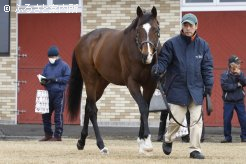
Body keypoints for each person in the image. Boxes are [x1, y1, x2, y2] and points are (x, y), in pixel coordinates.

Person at [151, 13, 214, 159]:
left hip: (196, 90)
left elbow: (207, 68)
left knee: (196, 121)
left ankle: (195, 149)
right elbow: (163, 61)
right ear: (182, 26)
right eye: (185, 25)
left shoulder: (203, 45)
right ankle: (168, 139)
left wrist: (208, 88)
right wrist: (158, 69)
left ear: (196, 26)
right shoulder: (171, 44)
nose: (188, 28)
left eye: (190, 25)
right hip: (178, 89)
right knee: (176, 121)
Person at [39, 45, 71, 141]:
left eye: (52, 57)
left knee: (58, 115)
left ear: (57, 56)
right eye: (49, 57)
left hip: (59, 93)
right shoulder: (47, 66)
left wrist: (56, 79)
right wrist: (43, 81)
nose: (51, 59)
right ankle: (48, 134)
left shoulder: (64, 66)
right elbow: (43, 77)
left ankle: (57, 136)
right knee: (45, 114)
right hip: (47, 93)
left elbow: (67, 78)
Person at [220, 55, 246, 143]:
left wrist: (239, 75)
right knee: (227, 119)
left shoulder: (240, 73)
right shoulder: (225, 74)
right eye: (237, 63)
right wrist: (237, 85)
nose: (239, 65)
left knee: (243, 119)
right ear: (231, 65)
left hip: (239, 100)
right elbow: (225, 86)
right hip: (228, 101)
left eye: (239, 63)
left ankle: (244, 137)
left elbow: (244, 82)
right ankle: (227, 138)